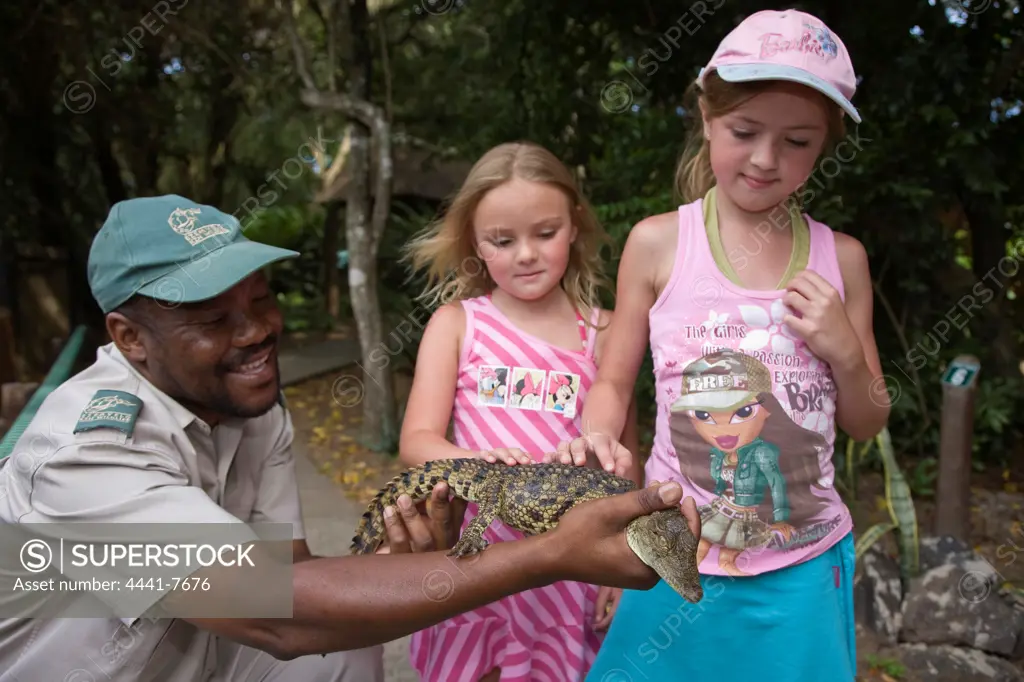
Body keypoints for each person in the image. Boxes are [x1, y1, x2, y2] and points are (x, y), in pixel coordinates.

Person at [0, 195, 702, 682]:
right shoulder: (84, 453)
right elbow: (280, 614)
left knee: (338, 657)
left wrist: (406, 559)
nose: (257, 334)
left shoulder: (252, 410)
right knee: (310, 639)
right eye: (213, 319)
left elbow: (296, 573)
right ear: (129, 340)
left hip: (198, 655)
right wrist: (553, 554)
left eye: (261, 299)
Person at [550, 10, 890, 682]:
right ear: (706, 116)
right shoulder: (657, 245)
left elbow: (869, 417)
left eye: (796, 141)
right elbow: (615, 383)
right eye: (744, 131)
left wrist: (844, 350)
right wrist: (598, 438)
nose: (766, 159)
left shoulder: (841, 260)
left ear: (825, 146)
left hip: (802, 574)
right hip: (671, 556)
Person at [398, 141, 643, 682]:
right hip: (475, 557)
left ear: (574, 226)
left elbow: (625, 465)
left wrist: (622, 564)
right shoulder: (458, 324)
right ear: (475, 244)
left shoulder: (601, 332)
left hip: (570, 563)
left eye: (545, 233)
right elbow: (416, 440)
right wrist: (475, 465)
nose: (526, 254)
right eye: (502, 241)